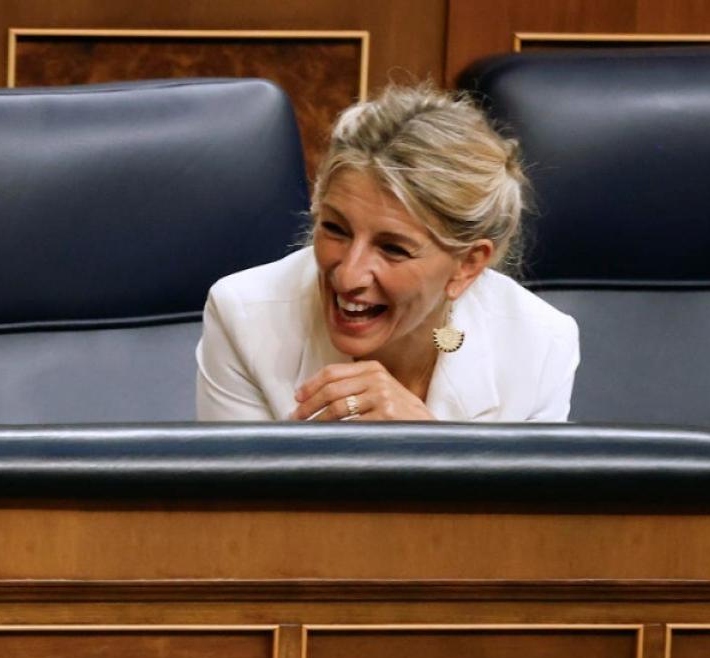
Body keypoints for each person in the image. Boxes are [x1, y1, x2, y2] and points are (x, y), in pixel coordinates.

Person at [196, 84, 579, 424]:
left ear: (467, 264)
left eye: (393, 248)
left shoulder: (540, 345)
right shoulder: (244, 316)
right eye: (335, 229)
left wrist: (429, 448)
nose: (348, 276)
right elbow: (242, 503)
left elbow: (522, 507)